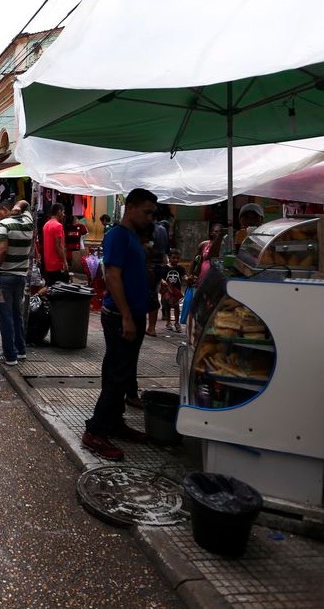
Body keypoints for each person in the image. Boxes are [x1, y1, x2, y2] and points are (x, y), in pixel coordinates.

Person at [81, 187, 158, 462]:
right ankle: (96, 430)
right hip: (119, 317)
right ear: (132, 207)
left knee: (122, 374)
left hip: (131, 315)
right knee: (117, 375)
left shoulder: (132, 237)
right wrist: (126, 315)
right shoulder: (116, 235)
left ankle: (114, 422)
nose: (151, 218)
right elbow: (112, 276)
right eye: (147, 212)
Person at [0, 199, 34, 366]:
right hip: (20, 276)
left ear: (6, 209)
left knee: (4, 316)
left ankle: (9, 355)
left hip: (4, 276)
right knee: (16, 314)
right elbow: (25, 202)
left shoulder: (3, 225)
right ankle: (20, 351)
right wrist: (19, 206)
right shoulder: (28, 220)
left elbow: (2, 250)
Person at [146, 217, 169, 336]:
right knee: (153, 293)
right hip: (160, 265)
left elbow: (149, 247)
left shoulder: (149, 228)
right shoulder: (163, 230)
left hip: (151, 266)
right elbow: (165, 250)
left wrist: (148, 264)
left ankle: (150, 327)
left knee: (148, 294)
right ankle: (151, 327)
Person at [41, 203, 70, 287]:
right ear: (59, 211)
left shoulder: (46, 225)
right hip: (57, 263)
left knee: (50, 286)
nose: (64, 215)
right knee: (61, 288)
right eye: (63, 212)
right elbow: (59, 246)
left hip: (48, 263)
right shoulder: (58, 226)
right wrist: (64, 262)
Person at [160, 249, 187, 333]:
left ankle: (176, 323)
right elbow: (160, 277)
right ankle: (168, 322)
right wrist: (162, 281)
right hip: (167, 291)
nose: (176, 260)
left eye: (177, 258)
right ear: (169, 258)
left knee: (176, 307)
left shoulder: (180, 268)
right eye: (173, 258)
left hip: (176, 291)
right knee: (167, 307)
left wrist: (187, 278)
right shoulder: (165, 268)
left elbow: (184, 275)